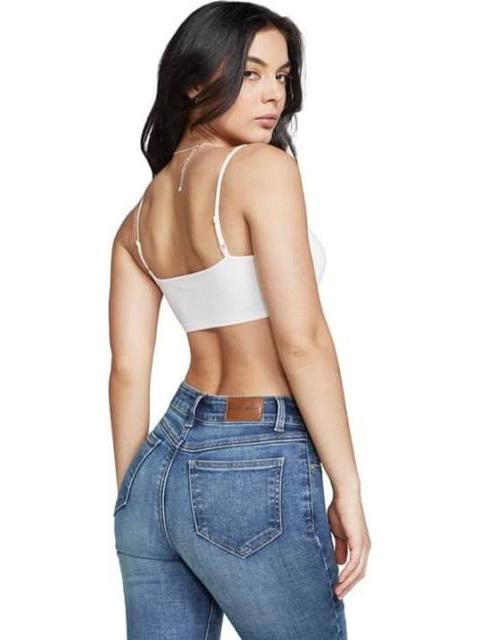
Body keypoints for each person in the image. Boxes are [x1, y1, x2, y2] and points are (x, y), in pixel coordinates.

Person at [108, 2, 371, 638]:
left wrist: (134, 498)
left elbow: (127, 372)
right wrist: (348, 489)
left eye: (281, 76)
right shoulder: (260, 170)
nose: (273, 94)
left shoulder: (136, 222)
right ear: (194, 80)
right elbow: (303, 341)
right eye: (250, 73)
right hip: (253, 456)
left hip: (156, 467)